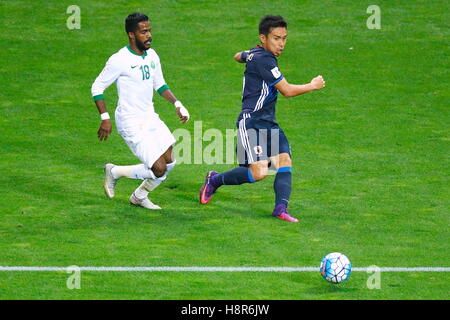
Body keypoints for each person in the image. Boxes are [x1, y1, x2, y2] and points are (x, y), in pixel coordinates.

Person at [199, 15, 325, 222]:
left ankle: (280, 209)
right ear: (263, 38)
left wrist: (246, 55)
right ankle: (215, 180)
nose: (282, 44)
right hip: (251, 122)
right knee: (258, 173)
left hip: (268, 122)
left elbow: (237, 56)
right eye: (276, 38)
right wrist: (313, 85)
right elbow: (287, 91)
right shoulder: (264, 59)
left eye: (284, 38)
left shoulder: (257, 54)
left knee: (283, 161)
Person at [91, 13, 190, 210]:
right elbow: (97, 87)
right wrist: (105, 118)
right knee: (158, 169)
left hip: (149, 117)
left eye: (149, 30)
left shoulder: (152, 55)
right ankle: (115, 172)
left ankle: (139, 196)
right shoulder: (120, 59)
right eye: (143, 32)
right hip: (130, 121)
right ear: (131, 35)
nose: (149, 35)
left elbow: (160, 84)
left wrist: (177, 103)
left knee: (170, 161)